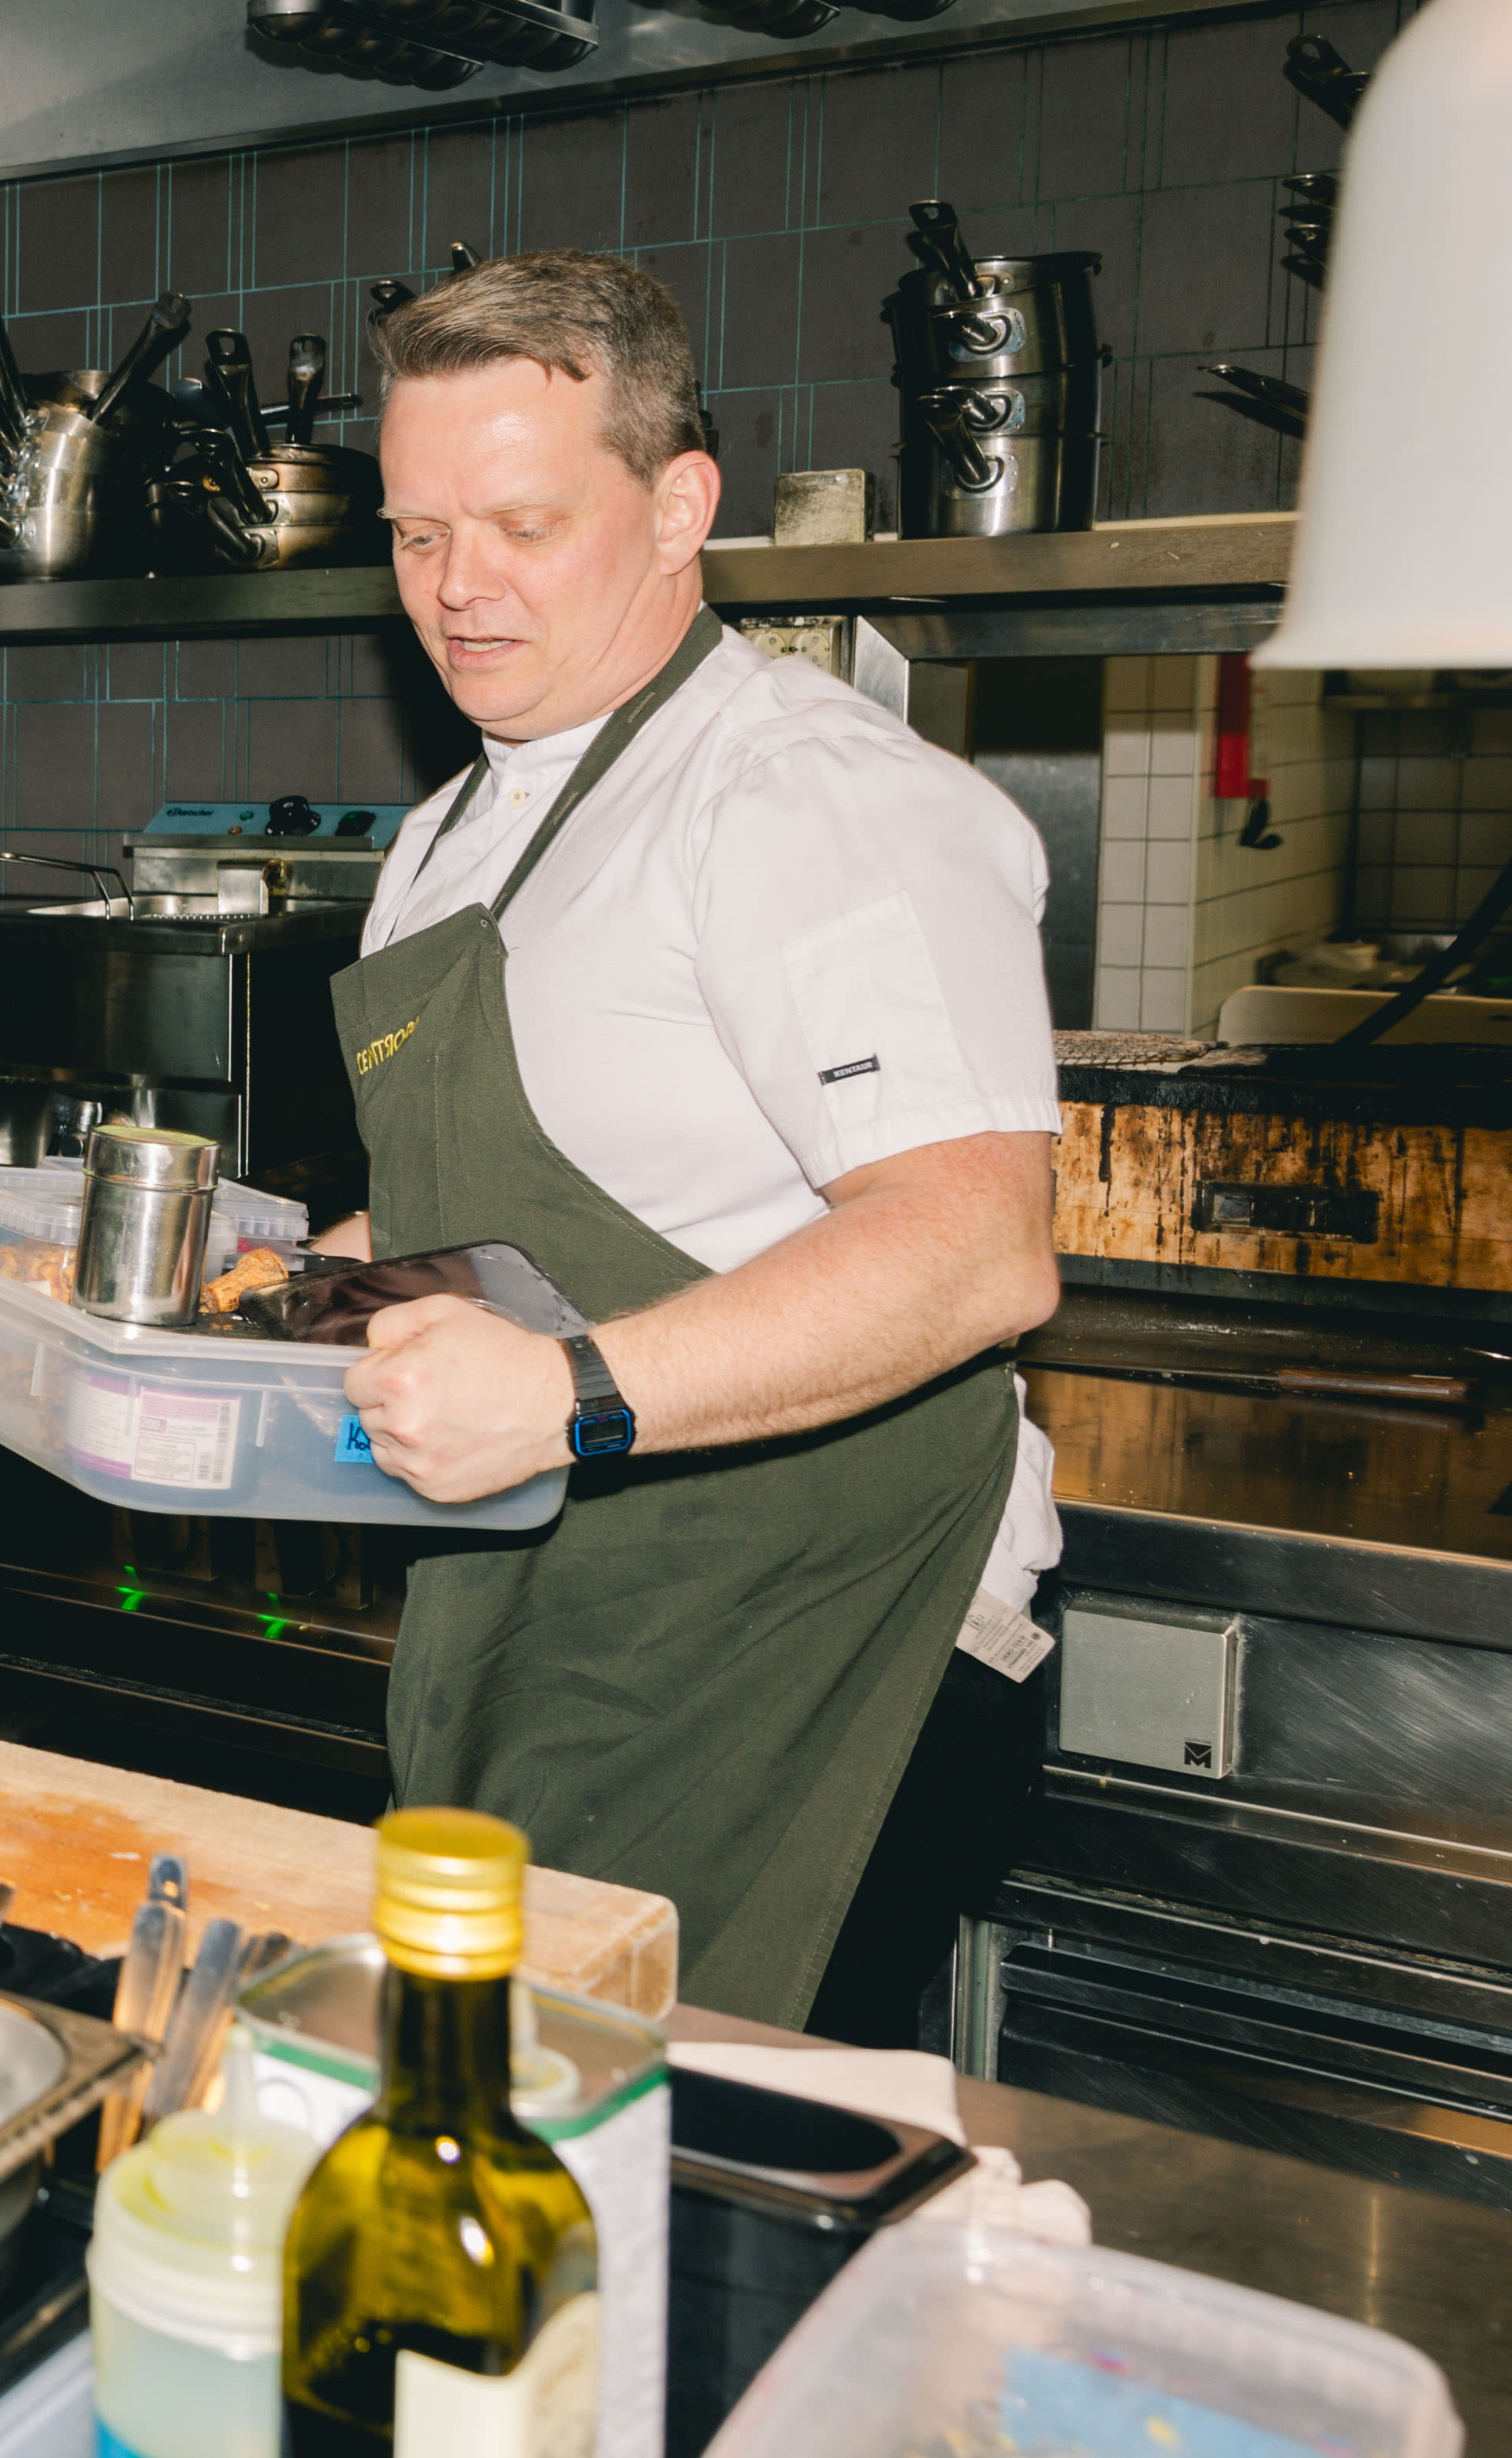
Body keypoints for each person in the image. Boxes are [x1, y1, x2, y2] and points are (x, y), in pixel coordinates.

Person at [322, 250, 1063, 2041]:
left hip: (824, 1649)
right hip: (571, 1629)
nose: (458, 587)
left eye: (519, 522)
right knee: (525, 2155)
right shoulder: (445, 834)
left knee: (705, 2202)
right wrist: (310, 1278)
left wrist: (565, 1395)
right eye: (418, 534)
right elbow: (559, 1190)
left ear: (677, 508)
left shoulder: (807, 799)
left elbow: (975, 1245)